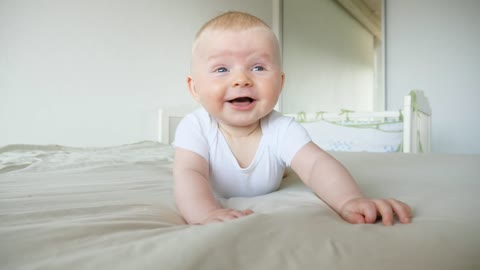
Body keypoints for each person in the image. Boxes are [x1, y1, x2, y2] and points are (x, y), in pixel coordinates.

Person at [173, 11, 412, 226]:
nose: (241, 80)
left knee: (300, 160)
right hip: (208, 191)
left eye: (257, 68)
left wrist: (349, 200)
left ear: (280, 83)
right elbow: (189, 173)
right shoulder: (196, 127)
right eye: (222, 69)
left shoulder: (282, 128)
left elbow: (317, 166)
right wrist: (205, 213)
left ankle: (283, 166)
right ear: (195, 88)